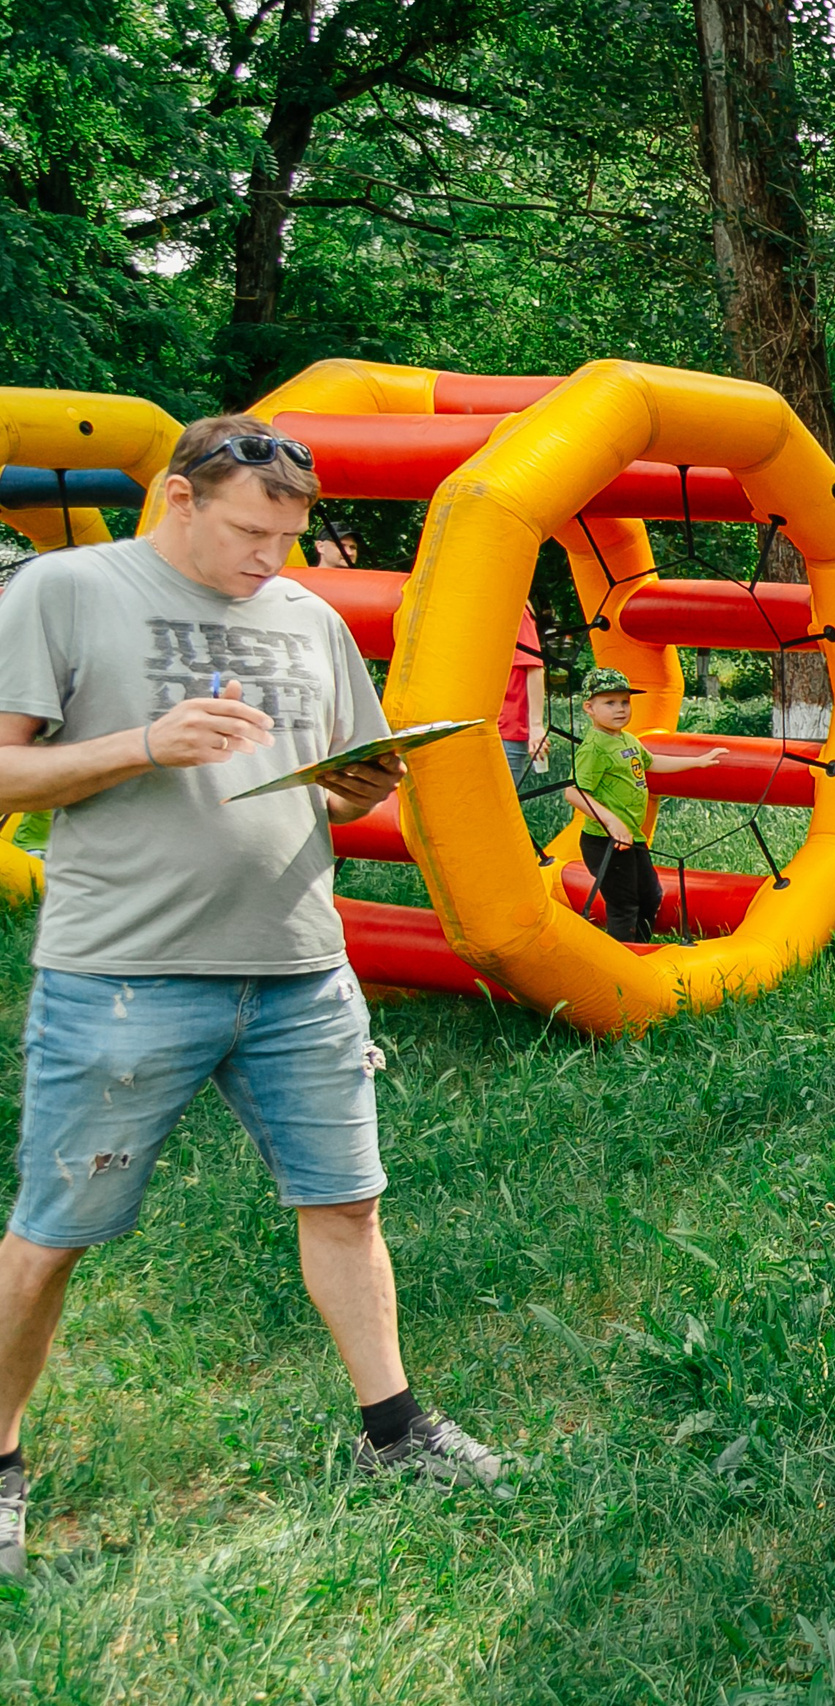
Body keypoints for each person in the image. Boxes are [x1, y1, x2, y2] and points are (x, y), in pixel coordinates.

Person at [0, 414, 509, 1579]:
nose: (269, 557)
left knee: (347, 1203)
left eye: (287, 536)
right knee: (51, 1236)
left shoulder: (307, 615)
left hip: (300, 967)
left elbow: (328, 795)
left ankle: (396, 1433)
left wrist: (360, 785)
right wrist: (143, 742)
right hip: (122, 975)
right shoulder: (66, 590)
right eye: (248, 532)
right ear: (179, 498)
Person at [562, 668, 726, 943]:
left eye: (625, 702)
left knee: (650, 896)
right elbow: (574, 791)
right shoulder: (594, 748)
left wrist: (697, 761)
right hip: (604, 842)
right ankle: (623, 959)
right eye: (610, 703)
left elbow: (652, 762)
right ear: (589, 708)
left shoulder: (627, 739)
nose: (620, 709)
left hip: (632, 839)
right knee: (624, 905)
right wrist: (611, 821)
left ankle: (639, 951)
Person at [500, 608, 549, 788]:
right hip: (479, 728)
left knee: (501, 800)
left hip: (506, 729)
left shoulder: (513, 611)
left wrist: (536, 726)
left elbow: (534, 666)